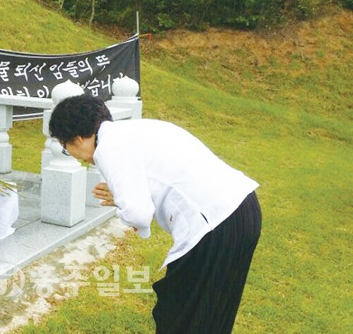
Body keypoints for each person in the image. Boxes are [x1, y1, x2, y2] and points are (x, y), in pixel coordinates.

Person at [49, 94, 262, 334]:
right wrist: (125, 196)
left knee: (178, 315)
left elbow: (138, 214)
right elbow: (157, 179)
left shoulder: (108, 148)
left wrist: (124, 205)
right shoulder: (133, 131)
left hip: (214, 224)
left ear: (76, 139)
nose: (73, 154)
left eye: (65, 148)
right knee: (211, 316)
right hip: (242, 209)